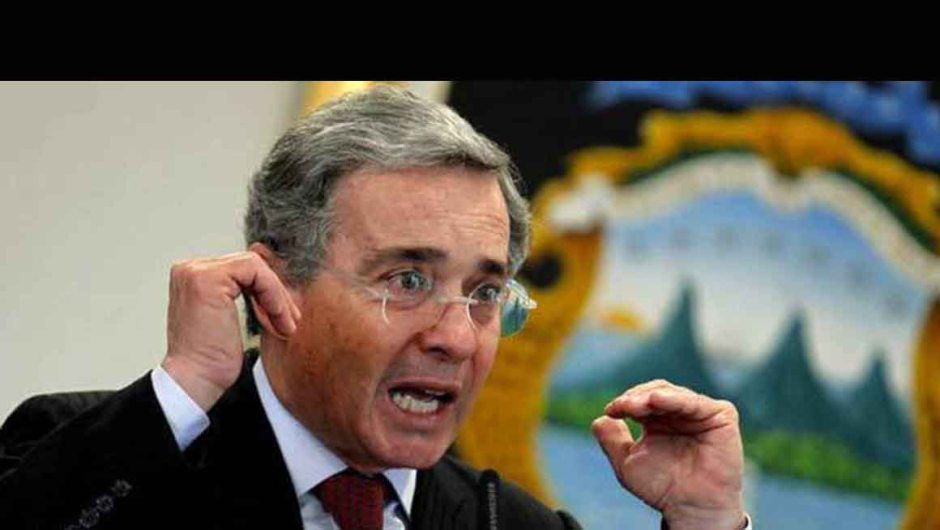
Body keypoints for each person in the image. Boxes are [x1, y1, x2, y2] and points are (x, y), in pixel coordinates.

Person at [0, 86, 749, 530]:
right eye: (409, 280)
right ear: (275, 284)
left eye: (485, 293)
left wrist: (705, 523)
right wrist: (186, 387)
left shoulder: (506, 523)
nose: (457, 338)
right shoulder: (96, 456)